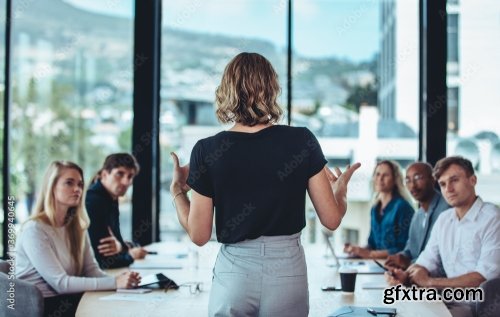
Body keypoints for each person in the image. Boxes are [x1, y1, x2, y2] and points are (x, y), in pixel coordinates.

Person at [170, 52, 360, 317]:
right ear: (271, 89)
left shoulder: (206, 150)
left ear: (226, 90)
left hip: (234, 273)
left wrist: (178, 190)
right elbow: (331, 219)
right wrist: (340, 191)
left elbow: (199, 235)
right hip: (287, 271)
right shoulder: (301, 140)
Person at [16, 161, 140, 317]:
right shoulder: (34, 229)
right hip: (43, 309)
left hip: (69, 299)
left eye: (80, 184)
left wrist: (121, 281)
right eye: (69, 183)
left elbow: (92, 271)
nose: (77, 189)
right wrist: (115, 283)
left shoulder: (77, 226)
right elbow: (61, 283)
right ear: (52, 186)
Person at [387, 156, 500, 317]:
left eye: (454, 180)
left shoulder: (492, 218)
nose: (449, 189)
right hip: (443, 300)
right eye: (443, 184)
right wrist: (406, 276)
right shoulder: (444, 219)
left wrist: (430, 282)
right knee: (393, 310)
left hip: (475, 307)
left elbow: (483, 278)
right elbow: (425, 261)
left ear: (473, 180)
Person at [86, 153, 148, 269]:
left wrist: (122, 247)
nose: (126, 182)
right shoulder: (94, 201)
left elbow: (117, 242)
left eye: (130, 176)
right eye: (120, 174)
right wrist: (130, 255)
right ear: (104, 174)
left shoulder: (111, 198)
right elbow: (102, 260)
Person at [384, 162, 450, 269]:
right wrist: (400, 257)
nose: (412, 185)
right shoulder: (417, 215)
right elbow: (410, 249)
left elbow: (441, 257)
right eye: (408, 180)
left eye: (418, 178)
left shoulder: (447, 209)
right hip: (415, 276)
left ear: (433, 179)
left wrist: (409, 264)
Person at [344, 160, 414, 259]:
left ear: (395, 180)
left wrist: (370, 254)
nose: (380, 179)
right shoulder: (375, 209)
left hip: (394, 267)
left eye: (385, 175)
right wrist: (356, 250)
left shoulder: (403, 207)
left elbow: (403, 249)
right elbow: (371, 244)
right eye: (377, 174)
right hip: (376, 264)